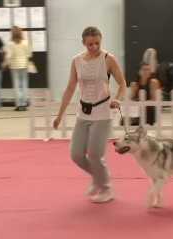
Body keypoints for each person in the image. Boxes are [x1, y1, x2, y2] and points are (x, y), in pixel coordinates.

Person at [53, 26, 127, 203]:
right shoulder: (76, 61)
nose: (94, 47)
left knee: (95, 155)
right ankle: (98, 179)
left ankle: (107, 188)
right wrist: (60, 115)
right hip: (83, 112)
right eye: (90, 44)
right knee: (76, 154)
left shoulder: (109, 59)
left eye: (97, 43)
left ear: (101, 40)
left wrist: (118, 98)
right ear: (83, 43)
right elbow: (71, 88)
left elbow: (122, 83)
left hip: (102, 112)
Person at [125, 61, 160, 126]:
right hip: (137, 108)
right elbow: (130, 99)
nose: (146, 72)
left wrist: (142, 103)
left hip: (150, 108)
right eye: (144, 70)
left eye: (148, 70)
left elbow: (155, 99)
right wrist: (137, 103)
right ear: (139, 71)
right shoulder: (134, 84)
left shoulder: (154, 82)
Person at [6, 27, 32, 111]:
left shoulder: (11, 43)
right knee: (24, 84)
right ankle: (24, 104)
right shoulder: (26, 42)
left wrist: (5, 63)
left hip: (14, 65)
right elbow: (29, 54)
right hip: (24, 64)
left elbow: (9, 56)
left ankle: (18, 104)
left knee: (16, 85)